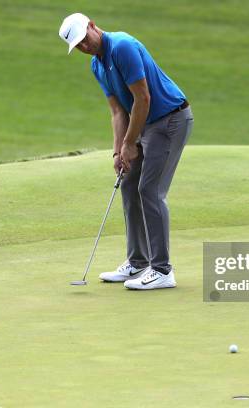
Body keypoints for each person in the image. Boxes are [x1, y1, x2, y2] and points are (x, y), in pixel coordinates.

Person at [59, 13, 193, 290]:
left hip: (169, 119)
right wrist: (118, 152)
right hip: (145, 122)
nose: (84, 47)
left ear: (93, 26)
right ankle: (138, 261)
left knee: (150, 190)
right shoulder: (97, 65)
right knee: (129, 184)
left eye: (85, 39)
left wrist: (130, 143)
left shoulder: (122, 46)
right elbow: (118, 111)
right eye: (78, 46)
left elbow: (143, 98)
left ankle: (162, 269)